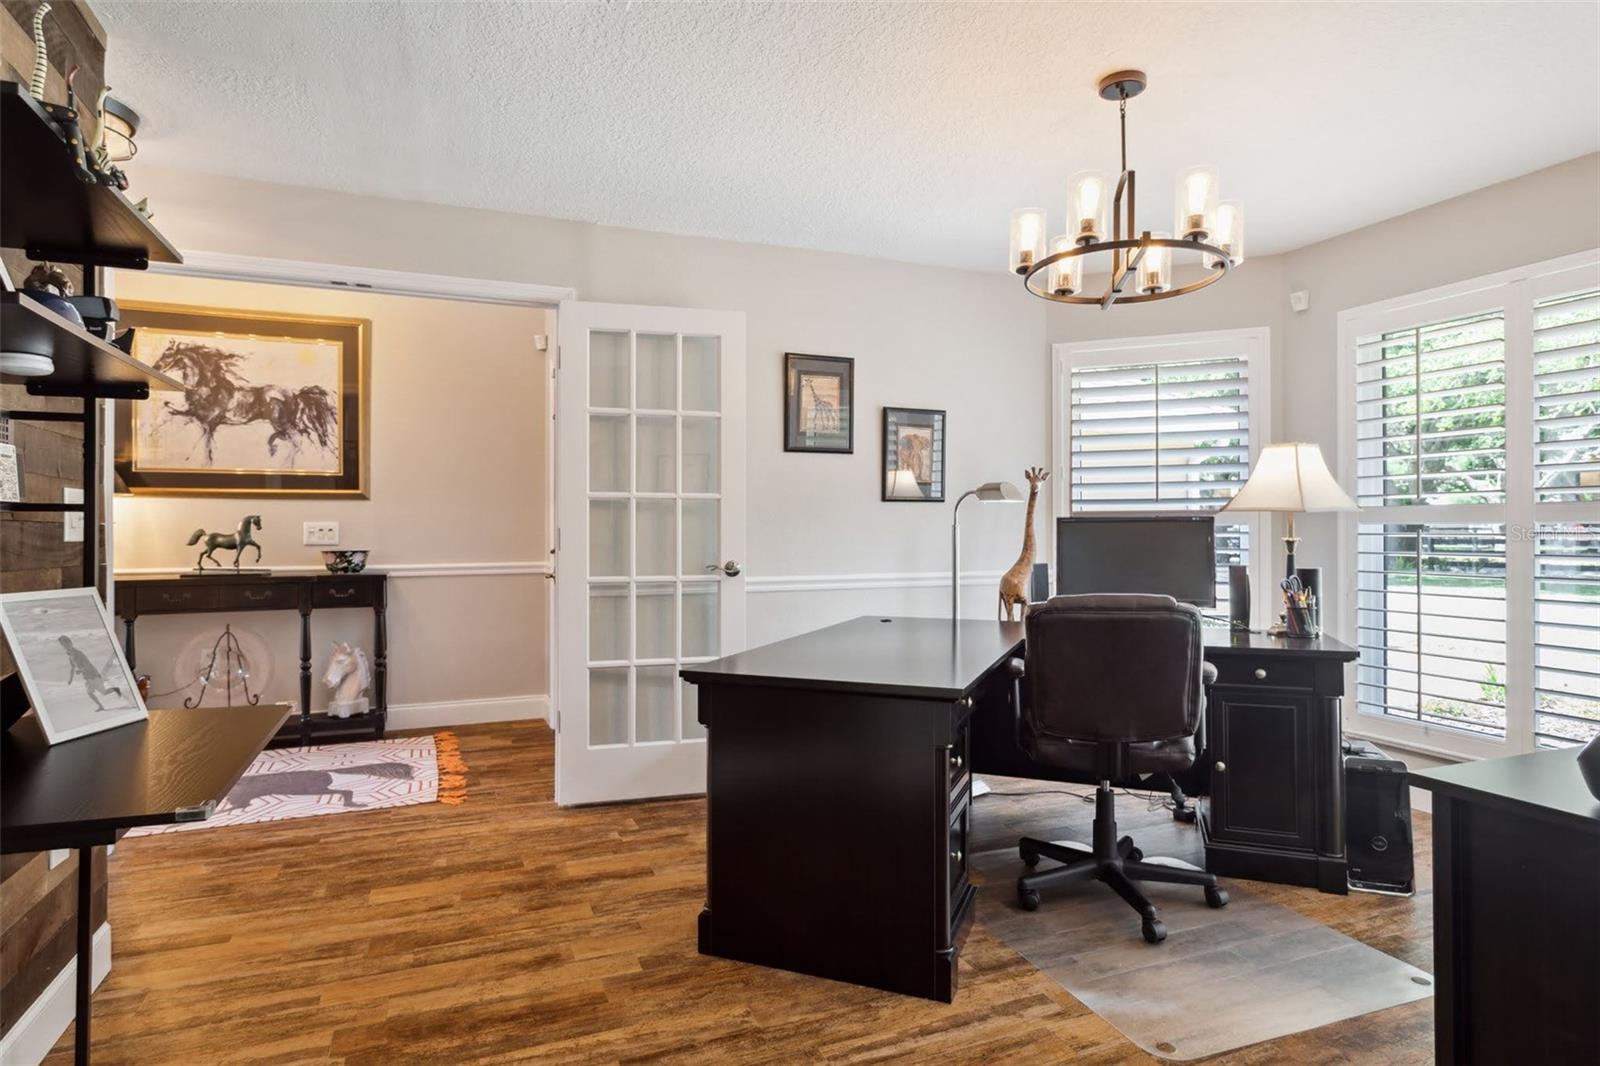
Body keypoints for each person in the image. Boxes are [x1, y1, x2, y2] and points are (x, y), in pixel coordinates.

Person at [60, 634, 124, 711]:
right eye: (63, 645)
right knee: (89, 693)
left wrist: (81, 670)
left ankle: (116, 689)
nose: (65, 646)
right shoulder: (70, 656)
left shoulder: (79, 653)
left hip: (94, 675)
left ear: (71, 643)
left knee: (104, 692)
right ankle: (101, 707)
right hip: (87, 678)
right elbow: (72, 668)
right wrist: (70, 679)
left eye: (66, 644)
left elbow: (88, 664)